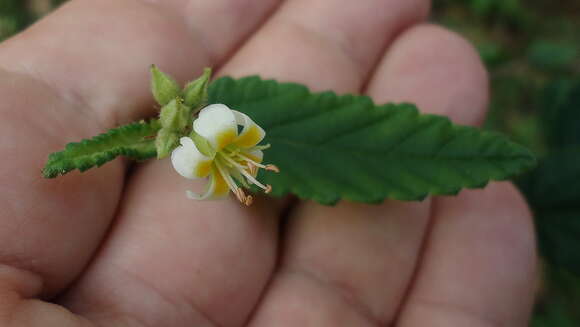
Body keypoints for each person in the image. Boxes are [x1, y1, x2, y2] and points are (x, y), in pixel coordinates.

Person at [0, 0, 537, 326]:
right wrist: (82, 155)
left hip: (216, 133)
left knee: (362, 149)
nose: (243, 167)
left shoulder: (218, 136)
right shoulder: (206, 148)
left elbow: (218, 151)